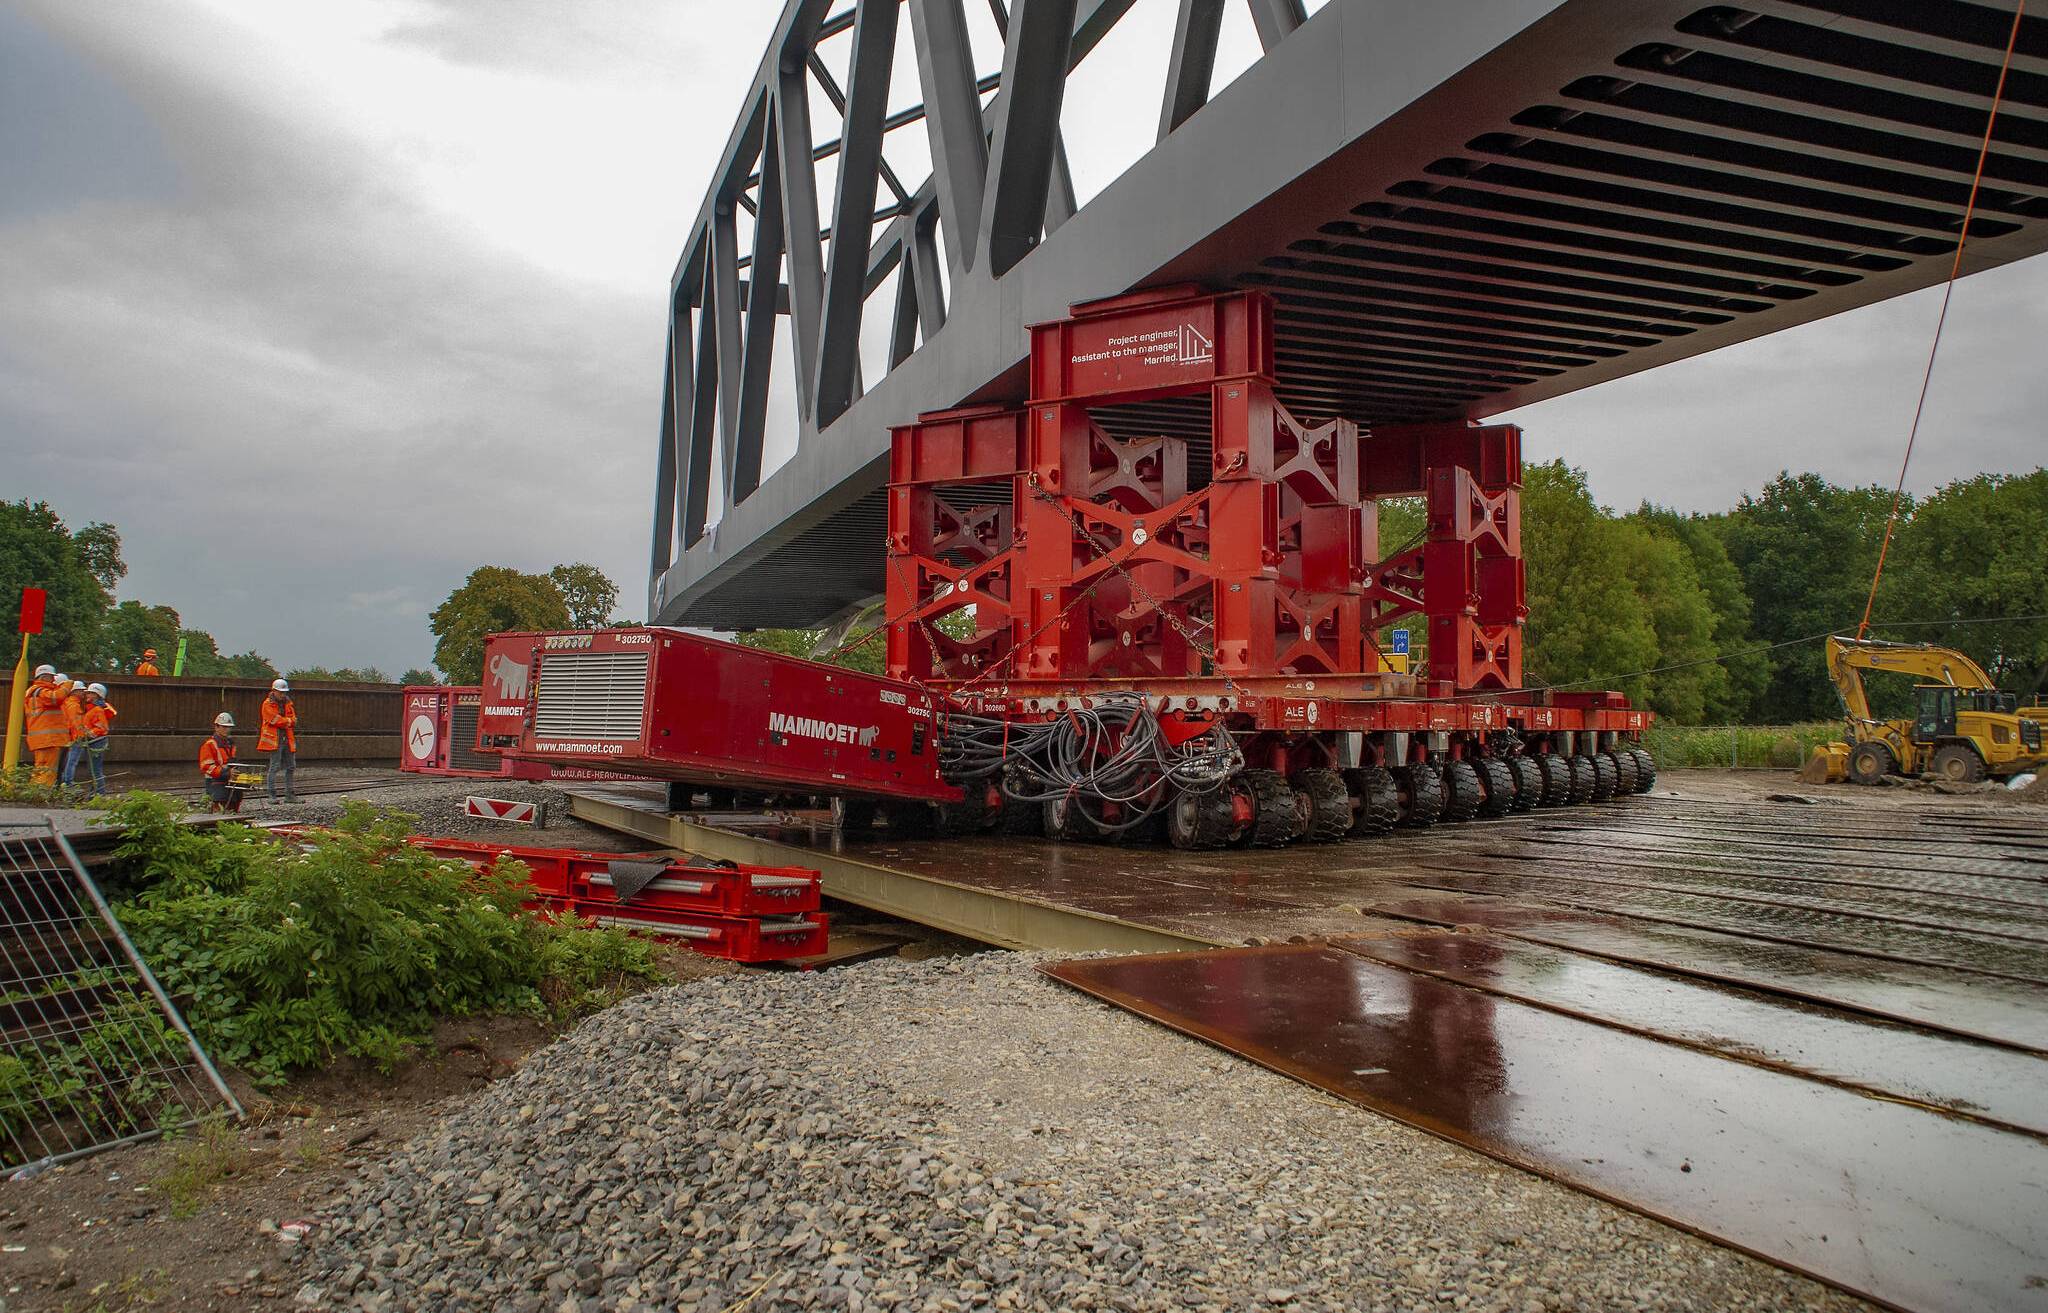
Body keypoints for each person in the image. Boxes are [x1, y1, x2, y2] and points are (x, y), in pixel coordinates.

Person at [22, 664, 68, 787]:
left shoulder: (33, 692)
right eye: (51, 677)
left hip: (41, 740)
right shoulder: (41, 692)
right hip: (49, 740)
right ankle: (43, 792)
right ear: (43, 677)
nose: (53, 680)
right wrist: (66, 686)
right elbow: (57, 697)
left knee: (40, 768)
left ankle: (35, 791)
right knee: (48, 770)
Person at [259, 678, 298, 803]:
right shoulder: (267, 704)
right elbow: (275, 720)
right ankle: (272, 795)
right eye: (281, 692)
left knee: (291, 766)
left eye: (284, 692)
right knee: (274, 767)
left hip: (287, 738)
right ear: (274, 691)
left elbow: (293, 719)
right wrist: (288, 721)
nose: (283, 694)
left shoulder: (288, 703)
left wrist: (287, 721)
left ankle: (289, 795)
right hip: (275, 740)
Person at [77, 684, 116, 797]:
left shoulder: (97, 710)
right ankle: (96, 792)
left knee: (95, 769)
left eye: (90, 693)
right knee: (92, 769)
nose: (87, 695)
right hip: (93, 741)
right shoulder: (92, 709)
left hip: (97, 741)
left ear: (97, 695)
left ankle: (99, 793)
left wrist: (89, 733)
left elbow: (102, 728)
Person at [200, 712, 239, 812]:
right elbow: (206, 766)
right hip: (215, 782)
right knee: (219, 808)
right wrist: (226, 772)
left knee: (233, 805)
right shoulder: (209, 745)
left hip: (227, 781)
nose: (227, 729)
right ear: (216, 727)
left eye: (229, 727)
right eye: (224, 727)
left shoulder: (230, 744)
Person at [58, 677, 88, 787]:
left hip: (71, 736)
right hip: (76, 737)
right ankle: (68, 783)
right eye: (81, 691)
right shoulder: (73, 705)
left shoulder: (68, 703)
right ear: (75, 692)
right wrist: (81, 735)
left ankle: (65, 782)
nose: (83, 693)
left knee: (67, 761)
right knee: (72, 762)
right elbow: (75, 723)